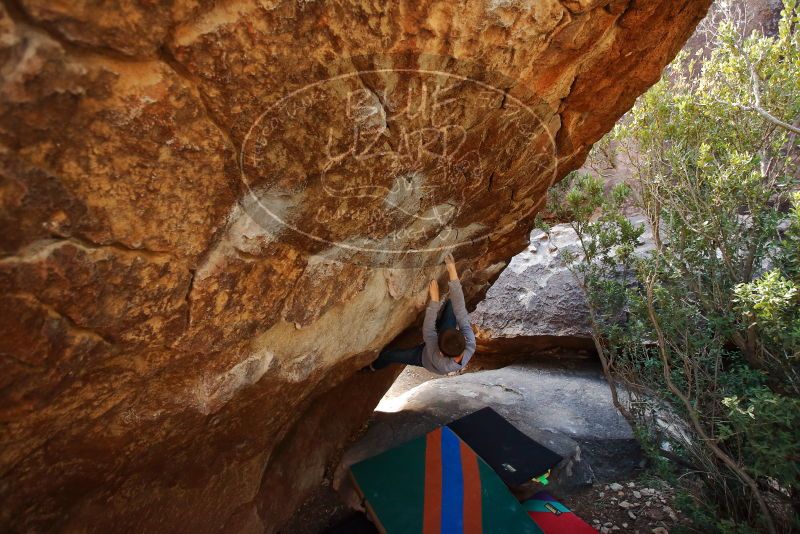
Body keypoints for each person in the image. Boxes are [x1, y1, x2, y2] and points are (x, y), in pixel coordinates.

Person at [369, 253, 476, 374]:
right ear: (462, 338)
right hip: (446, 342)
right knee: (452, 305)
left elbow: (429, 330)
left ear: (440, 352)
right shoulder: (470, 342)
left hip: (422, 357)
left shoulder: (438, 359)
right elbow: (460, 311)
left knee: (389, 355)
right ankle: (446, 326)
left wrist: (434, 301)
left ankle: (373, 366)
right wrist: (452, 271)